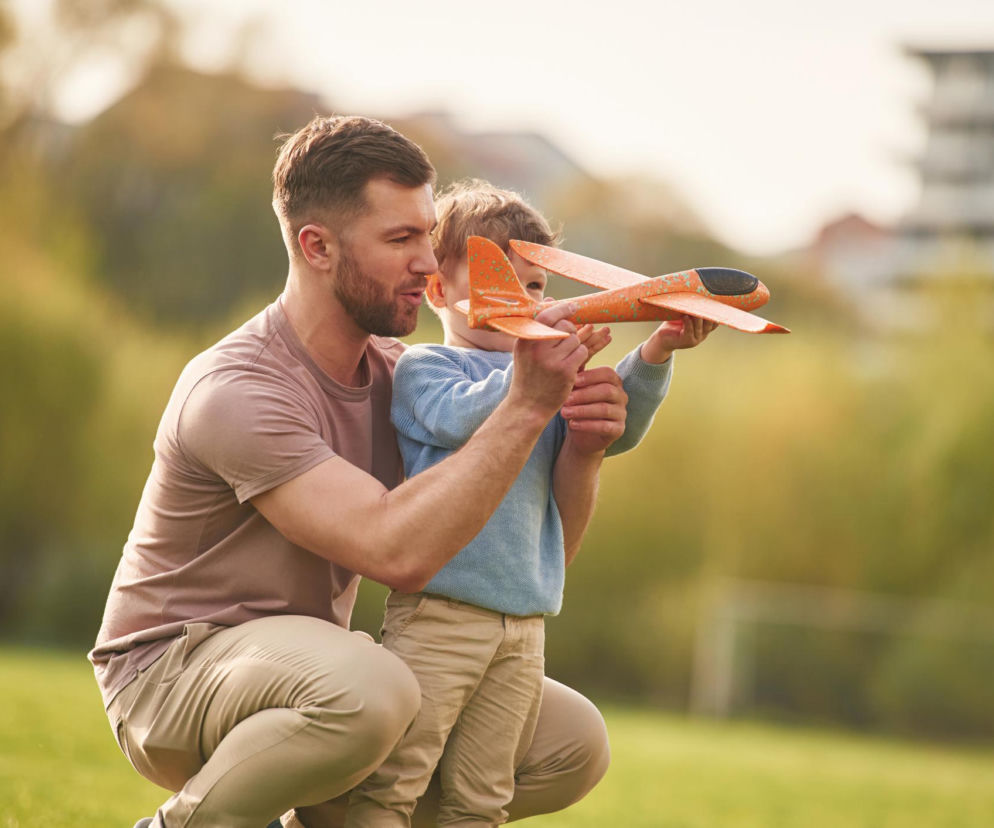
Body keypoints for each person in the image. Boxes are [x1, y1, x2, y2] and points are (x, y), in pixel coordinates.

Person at [88, 115, 647, 828]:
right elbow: (398, 553)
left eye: (429, 231)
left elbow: (531, 555)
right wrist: (522, 405)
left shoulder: (410, 379)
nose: (429, 261)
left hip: (319, 675)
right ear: (317, 247)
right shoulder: (239, 391)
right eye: (402, 239)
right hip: (174, 677)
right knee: (373, 692)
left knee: (570, 741)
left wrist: (581, 451)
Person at [344, 180, 716, 827]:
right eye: (502, 285)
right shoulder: (426, 369)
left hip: (523, 629)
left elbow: (613, 428)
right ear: (439, 291)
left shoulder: (544, 376)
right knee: (396, 779)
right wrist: (531, 381)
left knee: (482, 795)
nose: (526, 303)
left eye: (537, 288)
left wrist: (656, 350)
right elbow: (461, 420)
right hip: (440, 617)